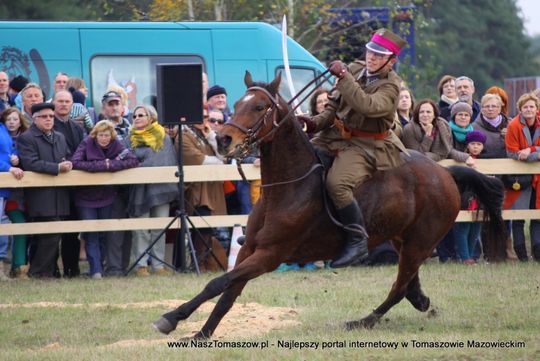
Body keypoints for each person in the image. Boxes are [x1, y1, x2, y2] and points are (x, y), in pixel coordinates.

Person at [301, 28, 408, 268]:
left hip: (367, 144)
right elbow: (333, 106)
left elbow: (367, 106)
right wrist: (314, 123)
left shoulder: (391, 87)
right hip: (335, 135)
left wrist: (346, 77)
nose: (371, 57)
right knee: (300, 163)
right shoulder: (357, 69)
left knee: (337, 184)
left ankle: (358, 240)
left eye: (379, 55)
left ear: (391, 62)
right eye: (370, 51)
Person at [71, 120, 139, 279]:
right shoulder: (87, 142)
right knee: (91, 234)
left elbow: (133, 160)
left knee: (103, 234)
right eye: (101, 135)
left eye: (107, 135)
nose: (104, 138)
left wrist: (113, 165)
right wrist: (102, 165)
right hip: (86, 197)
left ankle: (100, 266)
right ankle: (95, 270)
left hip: (107, 196)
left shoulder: (116, 144)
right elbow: (75, 162)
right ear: (95, 135)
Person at [17, 103, 72, 278]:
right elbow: (30, 163)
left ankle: (49, 271)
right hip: (40, 194)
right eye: (44, 116)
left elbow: (67, 155)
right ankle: (40, 272)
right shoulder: (27, 137)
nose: (49, 119)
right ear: (34, 119)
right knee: (48, 235)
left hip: (59, 194)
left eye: (51, 116)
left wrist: (68, 163)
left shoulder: (60, 137)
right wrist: (57, 167)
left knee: (52, 235)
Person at [127, 105, 178, 276]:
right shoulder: (129, 138)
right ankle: (141, 265)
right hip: (138, 189)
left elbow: (163, 161)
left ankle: (158, 265)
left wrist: (137, 165)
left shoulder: (163, 137)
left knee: (159, 227)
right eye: (134, 115)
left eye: (141, 115)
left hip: (161, 189)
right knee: (140, 228)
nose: (137, 118)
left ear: (151, 118)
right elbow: (124, 160)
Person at [182, 108, 228, 272]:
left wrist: (211, 136)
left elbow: (224, 155)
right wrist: (220, 162)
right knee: (201, 226)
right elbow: (198, 160)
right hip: (196, 189)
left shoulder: (208, 135)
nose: (205, 120)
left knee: (209, 227)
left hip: (213, 188)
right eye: (201, 117)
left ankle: (206, 262)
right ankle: (198, 263)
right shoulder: (185, 135)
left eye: (207, 117)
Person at [472, 93, 516, 260]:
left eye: (494, 106)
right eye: (486, 106)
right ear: (481, 108)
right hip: (484, 176)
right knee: (486, 214)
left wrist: (508, 137)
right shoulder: (475, 126)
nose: (490, 109)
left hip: (507, 175)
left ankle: (506, 251)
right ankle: (489, 253)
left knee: (507, 215)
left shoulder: (510, 125)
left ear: (500, 108)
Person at [504, 92, 540, 262]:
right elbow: (512, 153)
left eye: (532, 106)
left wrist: (531, 150)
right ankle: (522, 254)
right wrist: (534, 154)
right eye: (525, 107)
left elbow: (526, 153)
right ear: (520, 109)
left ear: (536, 108)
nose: (529, 109)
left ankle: (537, 251)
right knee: (518, 216)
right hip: (520, 177)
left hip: (539, 179)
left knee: (538, 214)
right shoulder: (513, 125)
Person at [1, 108, 29, 278]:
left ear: (20, 121)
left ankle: (19, 267)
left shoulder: (26, 137)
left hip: (21, 193)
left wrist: (18, 158)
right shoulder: (2, 135)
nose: (12, 122)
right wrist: (10, 166)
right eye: (8, 119)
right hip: (5, 190)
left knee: (20, 225)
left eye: (15, 119)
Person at [402, 99, 474, 165]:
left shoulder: (443, 125)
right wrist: (428, 135)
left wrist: (466, 157)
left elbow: (448, 150)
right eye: (421, 112)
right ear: (417, 115)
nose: (425, 115)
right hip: (417, 167)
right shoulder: (409, 129)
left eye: (428, 112)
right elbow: (417, 156)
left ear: (434, 115)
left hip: (441, 164)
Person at [453, 130, 487, 265]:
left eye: (479, 144)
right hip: (465, 197)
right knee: (463, 227)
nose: (475, 146)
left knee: (476, 228)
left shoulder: (488, 160)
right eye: (472, 143)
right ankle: (464, 256)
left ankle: (471, 256)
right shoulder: (461, 159)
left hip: (481, 198)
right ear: (467, 145)